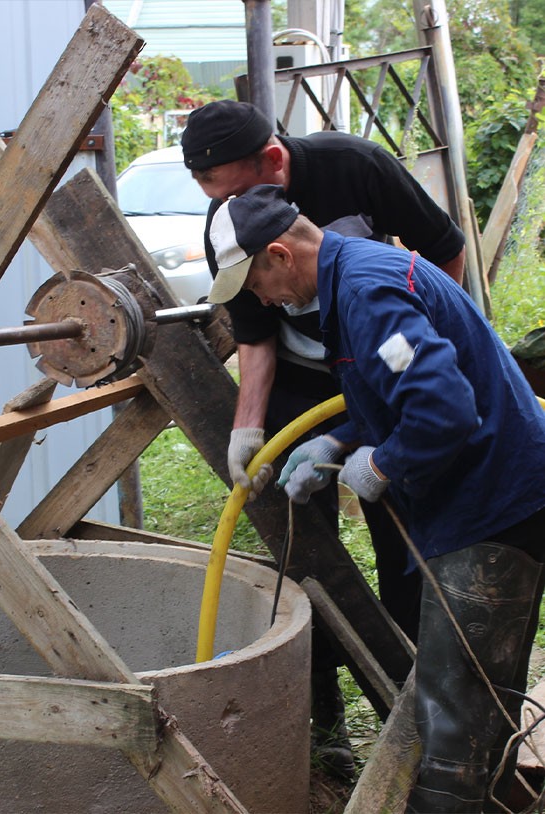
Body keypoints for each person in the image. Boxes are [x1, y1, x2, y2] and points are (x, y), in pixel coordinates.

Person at [205, 183, 545, 814]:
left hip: (492, 502)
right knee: (478, 692)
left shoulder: (365, 294)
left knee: (453, 710)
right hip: (493, 490)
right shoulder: (353, 281)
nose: (261, 300)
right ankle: (500, 799)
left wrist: (383, 464)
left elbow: (444, 411)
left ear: (279, 255)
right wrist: (336, 443)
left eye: (254, 285)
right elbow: (401, 389)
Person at [181, 99, 466, 776]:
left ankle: (420, 704)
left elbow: (446, 255)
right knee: (304, 557)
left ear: (273, 163)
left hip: (383, 357)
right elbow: (253, 334)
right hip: (300, 390)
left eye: (238, 192)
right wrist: (251, 429)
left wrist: (416, 346)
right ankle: (325, 720)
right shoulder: (232, 223)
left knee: (399, 539)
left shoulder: (356, 169)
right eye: (215, 198)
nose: (227, 207)